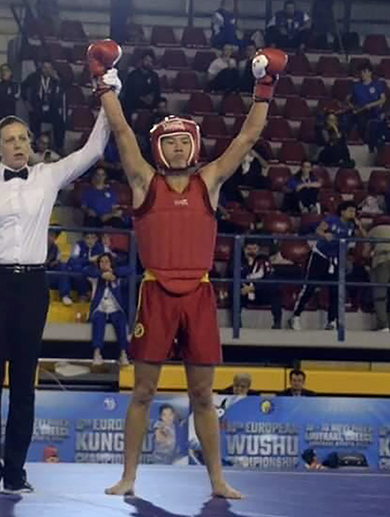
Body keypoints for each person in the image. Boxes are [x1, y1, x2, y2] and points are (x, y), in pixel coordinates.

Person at [0, 40, 118, 494]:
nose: (18, 145)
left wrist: (109, 93)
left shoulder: (48, 176)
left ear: (32, 145)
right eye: (10, 140)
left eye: (24, 139)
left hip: (32, 286)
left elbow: (94, 148)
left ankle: (15, 473)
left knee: (24, 386)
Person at [97, 43, 285, 499]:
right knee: (142, 392)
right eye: (170, 142)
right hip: (156, 293)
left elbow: (248, 137)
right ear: (159, 148)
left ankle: (217, 480)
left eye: (184, 141)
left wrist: (265, 87)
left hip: (198, 295)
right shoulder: (144, 181)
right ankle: (128, 477)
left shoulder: (210, 181)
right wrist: (101, 81)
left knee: (203, 395)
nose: (179, 148)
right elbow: (121, 131)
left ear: (194, 145)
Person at [290, 201, 364, 331]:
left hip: (336, 260)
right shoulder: (332, 219)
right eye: (350, 211)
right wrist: (325, 235)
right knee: (310, 287)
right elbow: (319, 230)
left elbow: (363, 237)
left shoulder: (351, 225)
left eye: (354, 211)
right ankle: (295, 316)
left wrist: (360, 226)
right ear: (342, 211)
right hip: (320, 256)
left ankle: (331, 321)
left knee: (335, 290)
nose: (352, 213)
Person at [85, 253, 130, 366]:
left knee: (121, 322)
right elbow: (85, 270)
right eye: (101, 262)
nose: (104, 264)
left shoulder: (117, 276)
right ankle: (97, 353)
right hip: (100, 308)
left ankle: (123, 353)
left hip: (115, 308)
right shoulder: (95, 276)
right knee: (98, 322)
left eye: (107, 261)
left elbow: (130, 270)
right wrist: (101, 274)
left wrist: (114, 273)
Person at [24, 60, 66, 152]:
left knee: (60, 122)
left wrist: (58, 80)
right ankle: (35, 146)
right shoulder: (34, 77)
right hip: (37, 107)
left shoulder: (55, 80)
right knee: (34, 120)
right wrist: (26, 101)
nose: (47, 70)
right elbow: (23, 86)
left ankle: (59, 147)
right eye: (45, 68)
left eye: (49, 68)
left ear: (52, 69)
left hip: (51, 109)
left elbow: (65, 88)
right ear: (41, 69)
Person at [239, 241, 282, 330]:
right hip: (243, 292)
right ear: (244, 250)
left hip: (260, 292)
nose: (251, 252)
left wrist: (253, 288)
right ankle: (237, 324)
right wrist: (248, 265)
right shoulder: (238, 260)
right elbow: (231, 273)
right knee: (234, 289)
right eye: (249, 249)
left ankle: (277, 323)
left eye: (254, 249)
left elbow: (270, 280)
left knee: (275, 289)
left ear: (258, 249)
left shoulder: (264, 261)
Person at [122, 50, 160, 118]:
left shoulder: (154, 75)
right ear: (142, 60)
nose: (148, 63)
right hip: (135, 104)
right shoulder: (133, 75)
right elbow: (129, 92)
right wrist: (142, 98)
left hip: (150, 105)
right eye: (146, 60)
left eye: (150, 61)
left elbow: (157, 90)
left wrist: (152, 97)